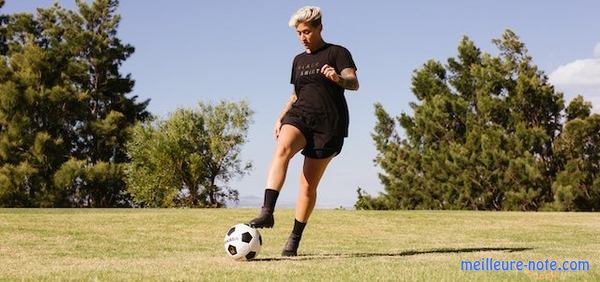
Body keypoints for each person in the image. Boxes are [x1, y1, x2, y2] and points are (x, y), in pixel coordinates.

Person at [248, 6, 359, 257]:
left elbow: (354, 82)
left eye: (307, 31)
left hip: (329, 124)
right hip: (300, 115)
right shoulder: (298, 60)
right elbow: (297, 94)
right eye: (298, 33)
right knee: (282, 149)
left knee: (307, 185)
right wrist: (280, 116)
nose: (302, 37)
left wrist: (338, 79)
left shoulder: (338, 52)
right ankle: (267, 212)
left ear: (320, 27)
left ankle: (294, 239)